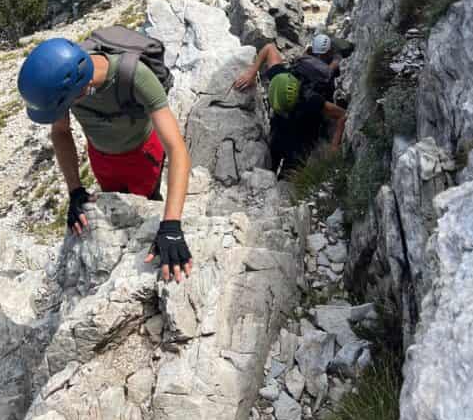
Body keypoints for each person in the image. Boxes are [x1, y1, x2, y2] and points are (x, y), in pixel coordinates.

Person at [18, 38, 192, 282]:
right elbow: (60, 132)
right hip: (101, 157)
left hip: (143, 156)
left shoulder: (136, 76)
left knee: (145, 206)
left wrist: (171, 226)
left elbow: (177, 149)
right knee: (114, 208)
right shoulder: (65, 85)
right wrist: (75, 191)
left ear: (82, 89)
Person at [235, 34, 347, 172]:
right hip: (282, 129)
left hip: (302, 135)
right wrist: (251, 73)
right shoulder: (281, 77)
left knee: (289, 170)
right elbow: (269, 48)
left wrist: (334, 147)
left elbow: (342, 114)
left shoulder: (311, 100)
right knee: (272, 158)